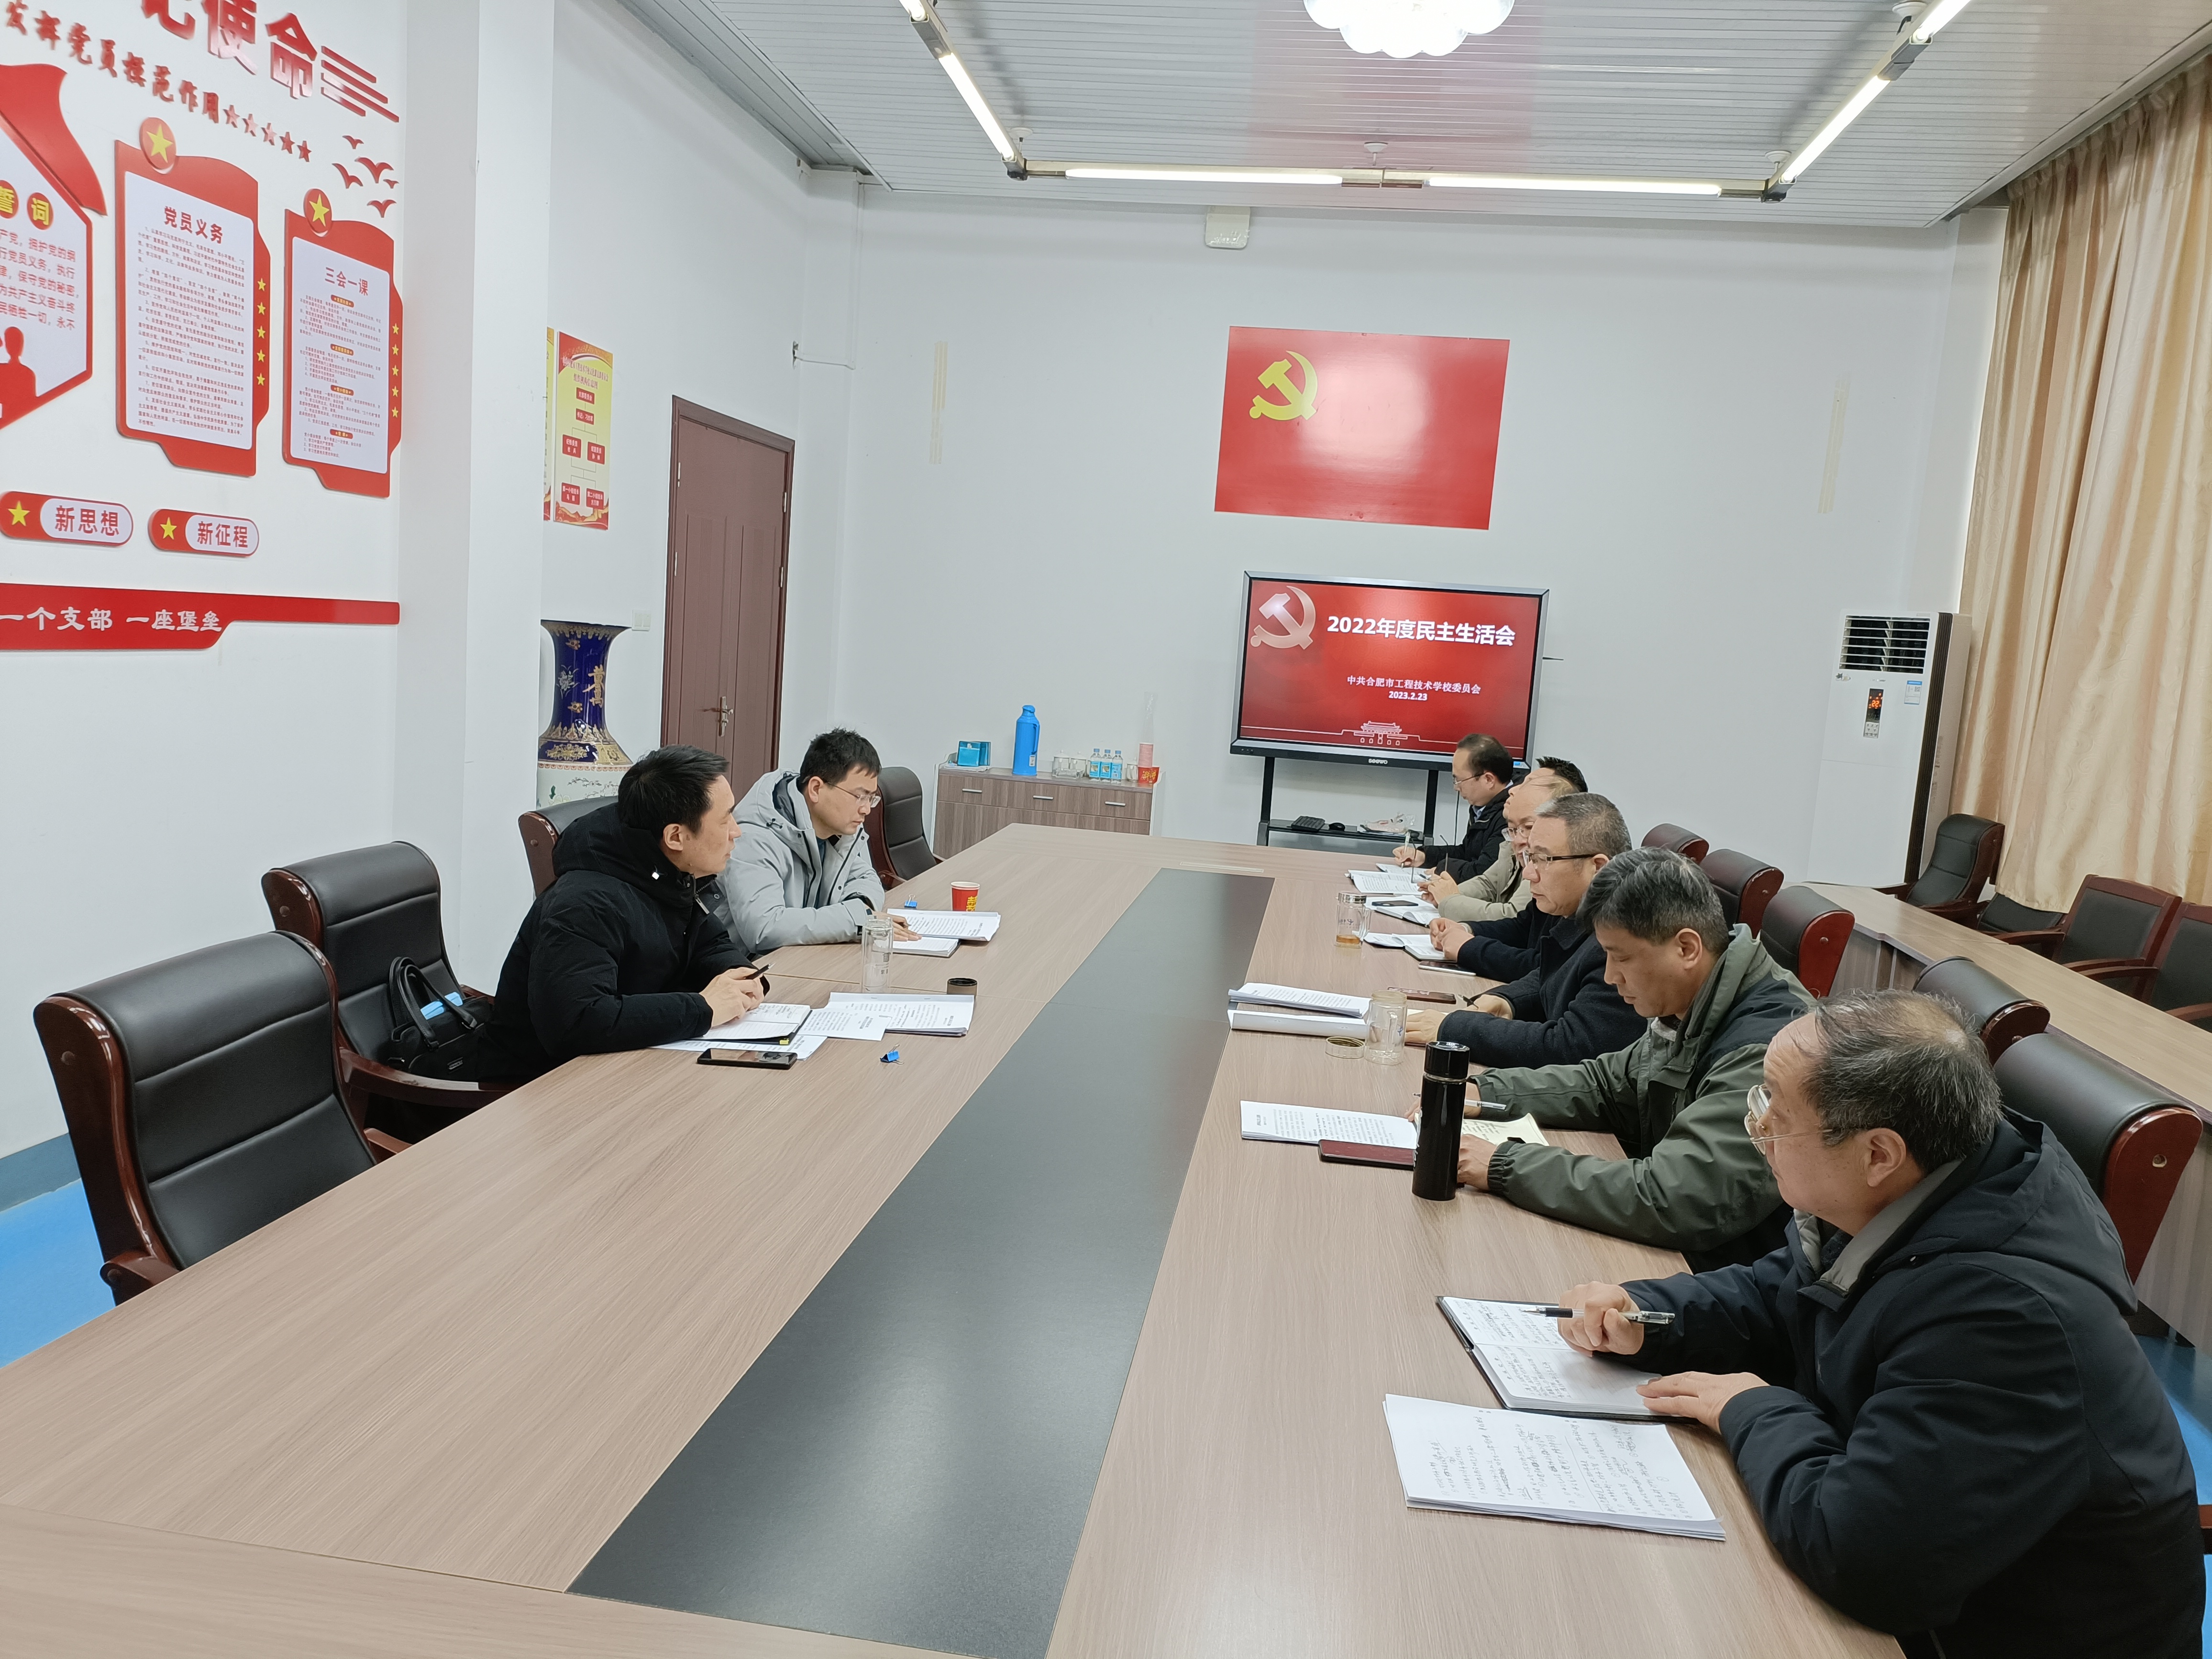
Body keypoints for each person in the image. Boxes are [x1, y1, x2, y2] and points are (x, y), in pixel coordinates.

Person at [1554, 991, 2201, 1659]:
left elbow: (1865, 1559)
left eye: (1780, 1112)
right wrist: (1648, 1316)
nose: (1759, 1124)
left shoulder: (2005, 1319)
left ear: (1878, 1154)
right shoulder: (1929, 1184)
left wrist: (1753, 1408)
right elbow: (1786, 1293)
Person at [1418, 846, 1812, 1270]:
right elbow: (1608, 1084)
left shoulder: (1767, 1050)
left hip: (1726, 1276)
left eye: (1621, 957)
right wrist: (1485, 1092)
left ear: (1686, 948)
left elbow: (1677, 1197)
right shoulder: (1693, 1002)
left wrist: (1503, 1164)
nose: (1610, 976)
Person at [467, 745, 768, 1083]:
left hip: (627, 1067)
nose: (736, 832)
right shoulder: (584, 905)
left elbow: (707, 941)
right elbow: (578, 1022)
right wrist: (704, 1008)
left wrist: (738, 976)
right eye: (725, 819)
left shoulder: (663, 871)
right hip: (540, 1088)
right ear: (676, 836)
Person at [1407, 794, 1641, 1068]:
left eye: (1543, 859)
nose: (1529, 873)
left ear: (1597, 867)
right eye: (1530, 857)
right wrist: (1508, 1000)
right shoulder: (1580, 916)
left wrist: (1456, 1029)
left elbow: (1568, 1048)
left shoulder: (1621, 943)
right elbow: (1552, 974)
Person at [721, 728, 916, 954]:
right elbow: (765, 929)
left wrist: (863, 909)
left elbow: (865, 877)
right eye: (859, 796)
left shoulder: (837, 829)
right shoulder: (755, 837)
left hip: (804, 954)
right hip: (750, 966)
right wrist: (857, 920)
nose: (866, 809)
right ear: (816, 789)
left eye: (871, 798)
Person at [1424, 759, 1582, 925]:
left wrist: (1450, 900)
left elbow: (1514, 917)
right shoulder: (1515, 837)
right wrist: (1448, 895)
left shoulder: (1549, 858)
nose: (1513, 790)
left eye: (1529, 785)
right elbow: (1489, 884)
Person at [1390, 733, 1515, 879]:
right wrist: (1424, 856)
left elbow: (1485, 871)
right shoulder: (1482, 807)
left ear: (1488, 780)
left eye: (1460, 781)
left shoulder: (1511, 814)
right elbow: (1467, 853)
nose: (1456, 788)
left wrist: (1443, 869)